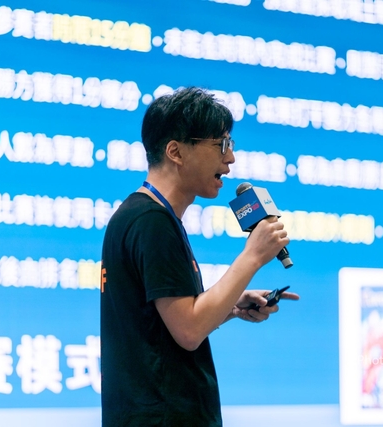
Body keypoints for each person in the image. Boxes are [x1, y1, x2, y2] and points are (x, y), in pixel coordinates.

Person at [100, 87, 299, 426]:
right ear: (176, 152)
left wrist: (231, 306)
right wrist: (252, 256)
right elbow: (189, 331)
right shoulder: (151, 221)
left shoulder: (145, 216)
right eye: (220, 145)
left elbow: (164, 324)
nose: (230, 159)